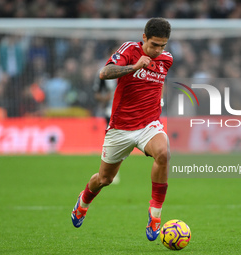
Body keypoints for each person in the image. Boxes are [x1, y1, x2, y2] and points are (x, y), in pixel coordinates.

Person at [71, 18, 173, 242]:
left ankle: (155, 215)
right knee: (105, 179)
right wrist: (133, 67)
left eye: (162, 45)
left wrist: (160, 101)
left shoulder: (167, 59)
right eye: (154, 44)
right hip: (120, 128)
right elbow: (104, 72)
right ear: (144, 37)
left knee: (164, 153)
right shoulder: (130, 49)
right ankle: (84, 200)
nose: (158, 50)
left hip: (149, 125)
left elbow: (159, 81)